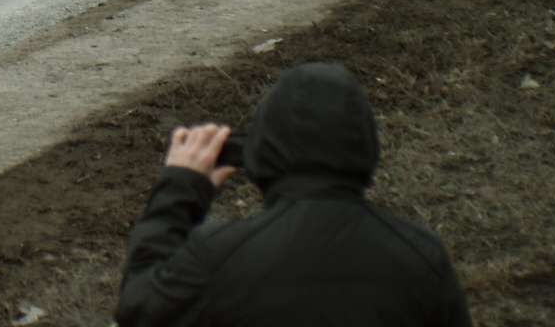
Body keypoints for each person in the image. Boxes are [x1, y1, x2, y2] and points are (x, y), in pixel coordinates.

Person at [116, 61, 470, 327]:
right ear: (366, 147)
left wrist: (180, 190)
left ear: (262, 152)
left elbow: (137, 309)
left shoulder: (218, 257)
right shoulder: (421, 258)